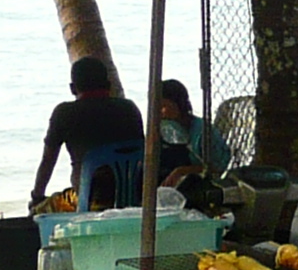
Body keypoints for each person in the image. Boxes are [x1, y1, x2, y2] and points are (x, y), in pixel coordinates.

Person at [31, 55, 147, 209]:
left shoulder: (64, 113)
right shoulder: (129, 109)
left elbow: (48, 162)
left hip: (87, 200)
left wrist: (37, 197)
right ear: (109, 85)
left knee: (40, 212)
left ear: (73, 88)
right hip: (133, 197)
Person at [155, 80, 233, 184]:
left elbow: (217, 168)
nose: (160, 114)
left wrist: (181, 172)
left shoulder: (202, 132)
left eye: (164, 107)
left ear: (179, 104)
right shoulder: (161, 129)